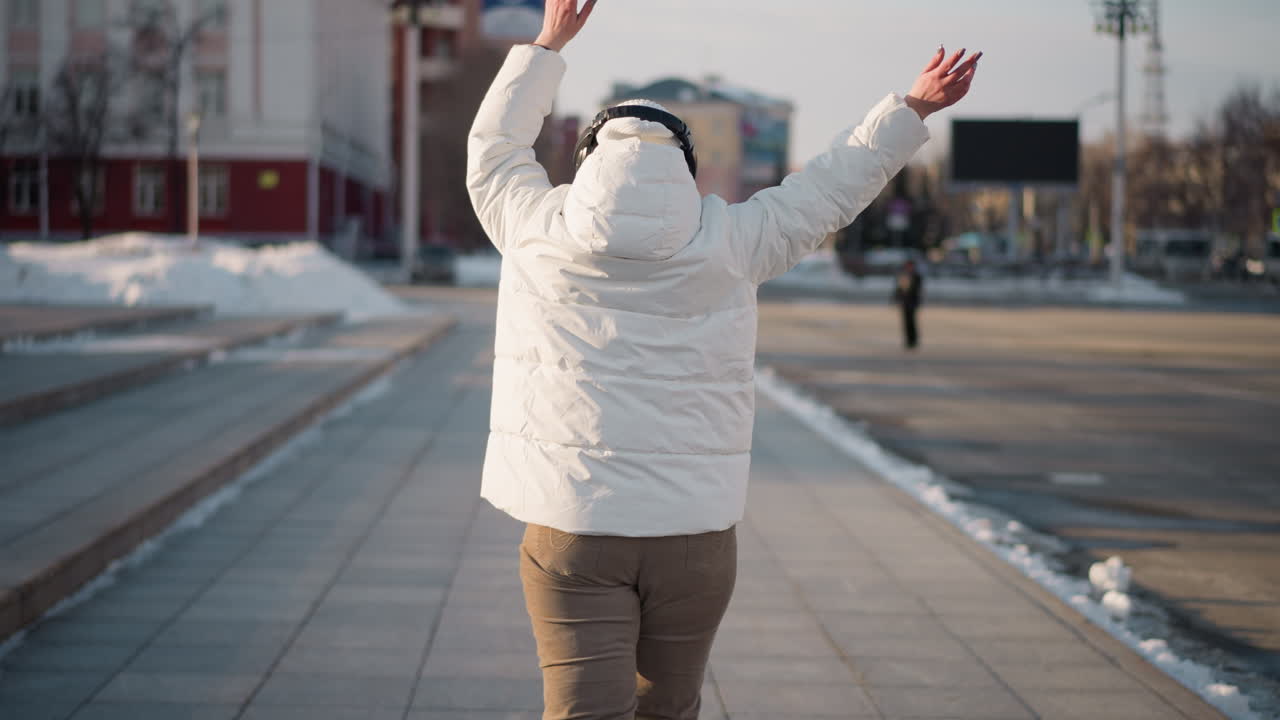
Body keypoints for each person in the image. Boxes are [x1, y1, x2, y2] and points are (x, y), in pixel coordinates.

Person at [466, 1, 979, 717]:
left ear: (585, 164)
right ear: (687, 168)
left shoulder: (535, 231)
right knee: (670, 709)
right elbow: (828, 190)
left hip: (572, 525)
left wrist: (549, 43)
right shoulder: (733, 243)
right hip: (693, 535)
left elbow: (493, 150)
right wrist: (913, 107)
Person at [894, 259, 924, 349]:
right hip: (905, 302)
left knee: (912, 322)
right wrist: (897, 298)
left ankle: (913, 340)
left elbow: (917, 290)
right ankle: (908, 340)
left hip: (913, 302)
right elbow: (898, 289)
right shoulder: (903, 275)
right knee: (906, 322)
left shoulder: (916, 276)